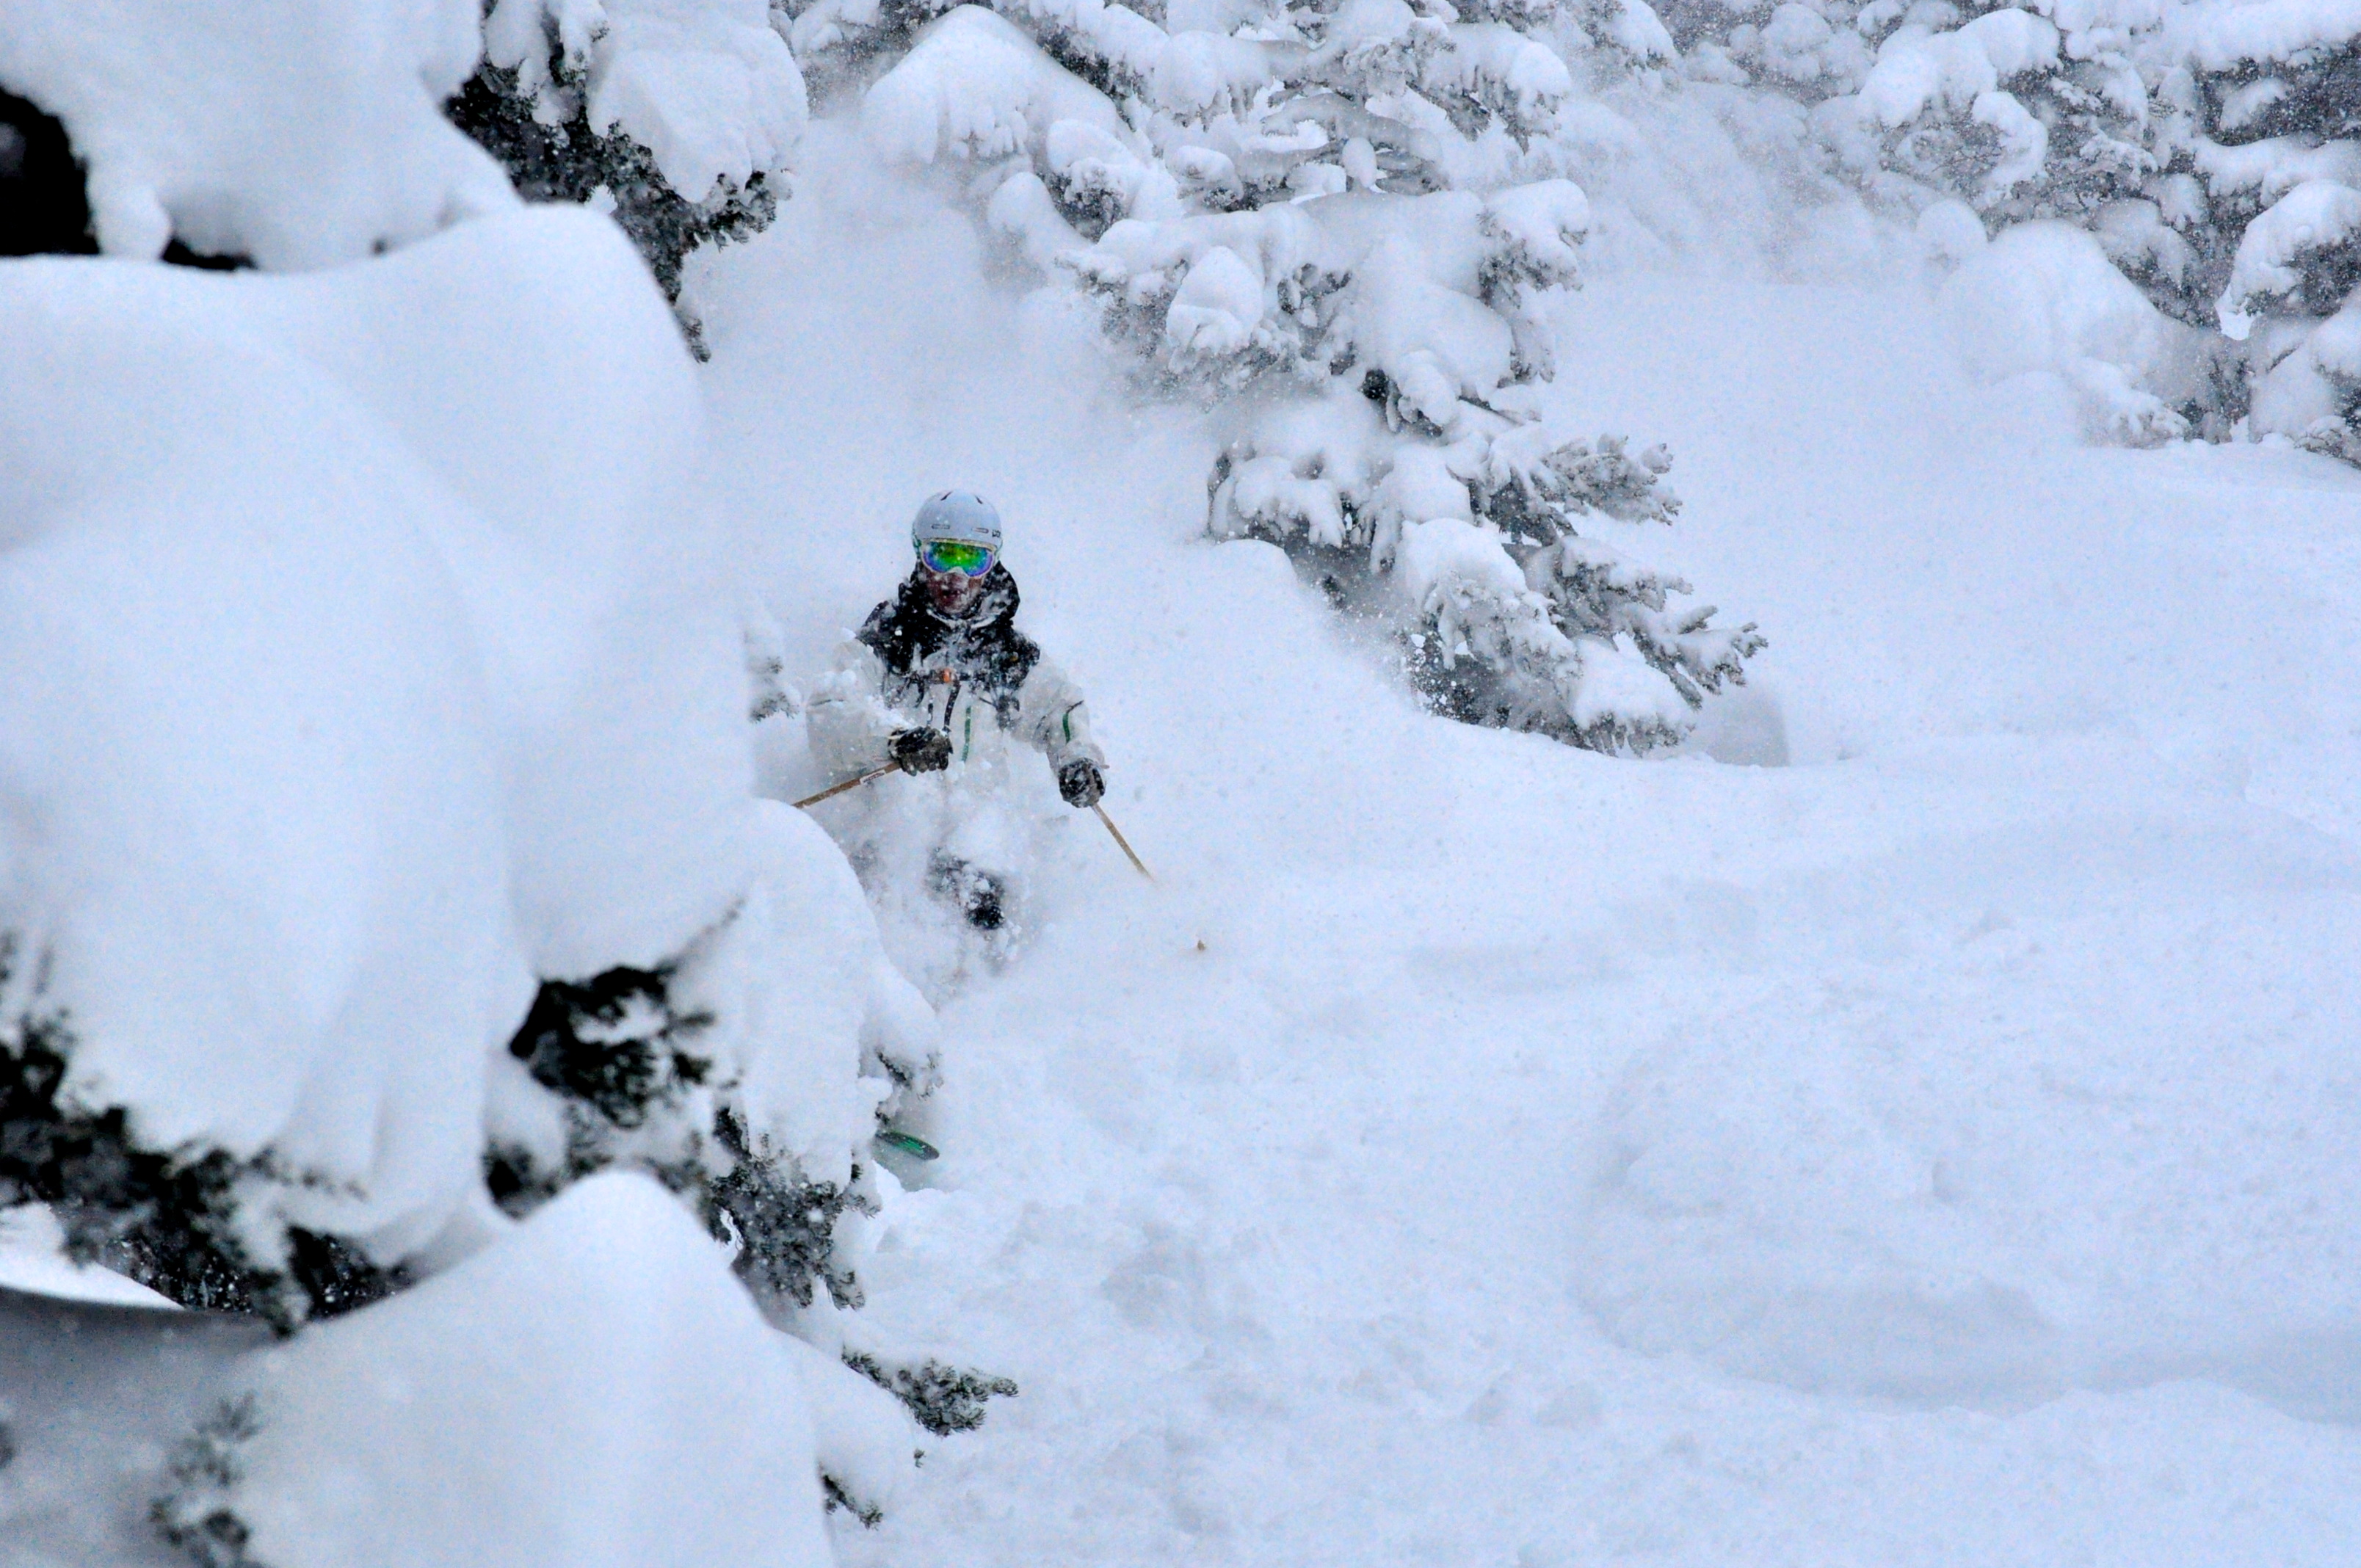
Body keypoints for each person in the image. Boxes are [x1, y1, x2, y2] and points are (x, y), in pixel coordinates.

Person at [806, 491, 1106, 932]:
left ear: (993, 565)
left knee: (984, 923)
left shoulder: (1006, 654)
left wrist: (1076, 759)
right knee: (869, 906)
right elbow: (829, 712)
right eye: (943, 556)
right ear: (920, 556)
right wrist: (895, 741)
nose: (956, 577)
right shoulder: (890, 639)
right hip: (892, 838)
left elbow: (1059, 708)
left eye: (973, 560)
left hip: (975, 844)